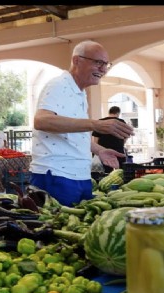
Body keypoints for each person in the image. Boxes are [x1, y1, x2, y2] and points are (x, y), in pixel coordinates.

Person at [30, 40, 134, 207]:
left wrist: (100, 150)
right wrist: (94, 124)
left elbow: (72, 132)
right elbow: (41, 120)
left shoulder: (80, 93)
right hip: (57, 174)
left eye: (106, 64)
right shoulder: (58, 85)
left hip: (78, 175)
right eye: (98, 62)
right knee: (58, 228)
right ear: (77, 61)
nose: (103, 69)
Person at [92, 105, 128, 173]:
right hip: (118, 150)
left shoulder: (100, 122)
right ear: (118, 113)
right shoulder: (121, 122)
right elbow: (126, 136)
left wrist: (95, 151)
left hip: (103, 150)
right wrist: (122, 144)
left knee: (105, 172)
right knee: (120, 172)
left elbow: (95, 139)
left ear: (109, 112)